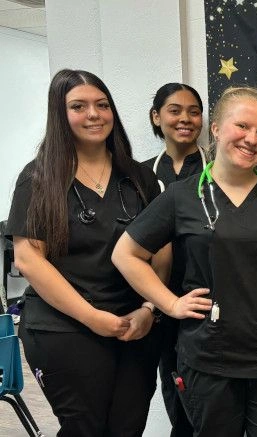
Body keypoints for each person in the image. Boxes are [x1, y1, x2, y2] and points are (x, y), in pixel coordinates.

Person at [112, 82, 257, 437]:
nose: (252, 138)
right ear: (215, 129)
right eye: (242, 126)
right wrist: (168, 303)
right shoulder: (182, 197)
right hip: (208, 358)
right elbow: (126, 254)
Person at [5, 69, 162, 436]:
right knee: (84, 429)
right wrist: (92, 317)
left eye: (102, 105)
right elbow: (29, 259)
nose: (94, 114)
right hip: (65, 328)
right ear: (60, 115)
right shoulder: (39, 178)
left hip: (134, 328)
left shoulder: (140, 179)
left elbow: (161, 253)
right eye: (79, 106)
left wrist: (148, 310)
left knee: (127, 428)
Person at [143, 82, 206, 437]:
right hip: (161, 303)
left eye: (193, 111)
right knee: (174, 389)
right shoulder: (139, 176)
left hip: (207, 297)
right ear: (157, 117)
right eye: (174, 110)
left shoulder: (219, 170)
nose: (185, 119)